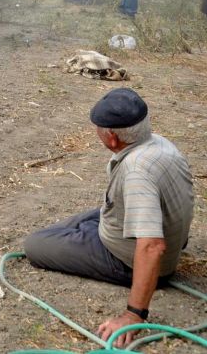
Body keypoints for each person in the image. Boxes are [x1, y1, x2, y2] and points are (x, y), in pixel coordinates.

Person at [24, 88, 194, 349]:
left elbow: (152, 246)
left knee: (35, 245)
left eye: (99, 128)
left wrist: (134, 314)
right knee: (85, 219)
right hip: (132, 230)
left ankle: (85, 242)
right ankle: (86, 233)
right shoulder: (158, 143)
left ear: (112, 138)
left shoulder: (137, 171)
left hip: (127, 260)